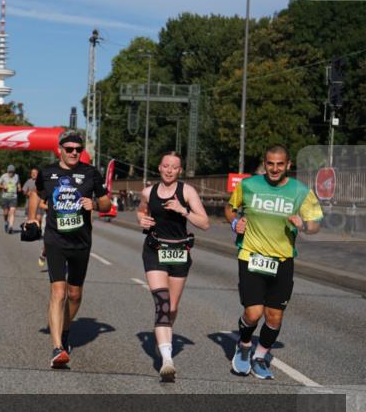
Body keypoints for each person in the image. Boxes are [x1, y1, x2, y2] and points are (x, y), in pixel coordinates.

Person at [224, 145, 322, 380]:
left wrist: (304, 225)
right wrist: (235, 222)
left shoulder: (301, 191)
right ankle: (244, 344)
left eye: (280, 164)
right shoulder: (248, 185)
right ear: (265, 163)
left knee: (275, 316)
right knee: (254, 312)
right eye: (270, 163)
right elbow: (230, 208)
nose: (275, 168)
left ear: (288, 165)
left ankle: (260, 356)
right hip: (251, 256)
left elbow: (315, 224)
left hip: (282, 260)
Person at [30, 130, 110, 368]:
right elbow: (37, 194)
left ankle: (64, 331)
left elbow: (106, 203)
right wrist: (33, 218)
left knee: (74, 294)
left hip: (81, 241)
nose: (74, 153)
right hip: (55, 239)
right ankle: (57, 348)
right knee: (58, 292)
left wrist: (94, 203)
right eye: (69, 149)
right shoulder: (47, 173)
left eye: (78, 149)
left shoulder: (91, 173)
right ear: (60, 150)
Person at [136, 152, 210, 382]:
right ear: (159, 168)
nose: (169, 170)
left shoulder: (187, 192)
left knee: (172, 307)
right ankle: (167, 360)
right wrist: (141, 219)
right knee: (162, 303)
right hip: (155, 250)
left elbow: (205, 223)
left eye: (174, 167)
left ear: (180, 171)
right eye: (166, 166)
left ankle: (164, 338)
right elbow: (141, 210)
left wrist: (183, 210)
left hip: (179, 252)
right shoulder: (148, 192)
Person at [23, 168, 47, 268]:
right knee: (49, 243)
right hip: (48, 213)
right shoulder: (51, 174)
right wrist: (31, 218)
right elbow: (34, 193)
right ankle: (44, 252)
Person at [0, 164, 21, 233]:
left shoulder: (16, 176)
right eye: (10, 172)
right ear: (7, 171)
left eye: (12, 172)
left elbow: (18, 183)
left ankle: (11, 226)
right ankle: (6, 222)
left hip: (13, 197)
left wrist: (19, 187)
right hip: (5, 197)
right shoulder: (4, 176)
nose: (11, 173)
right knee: (5, 213)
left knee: (12, 212)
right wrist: (3, 187)